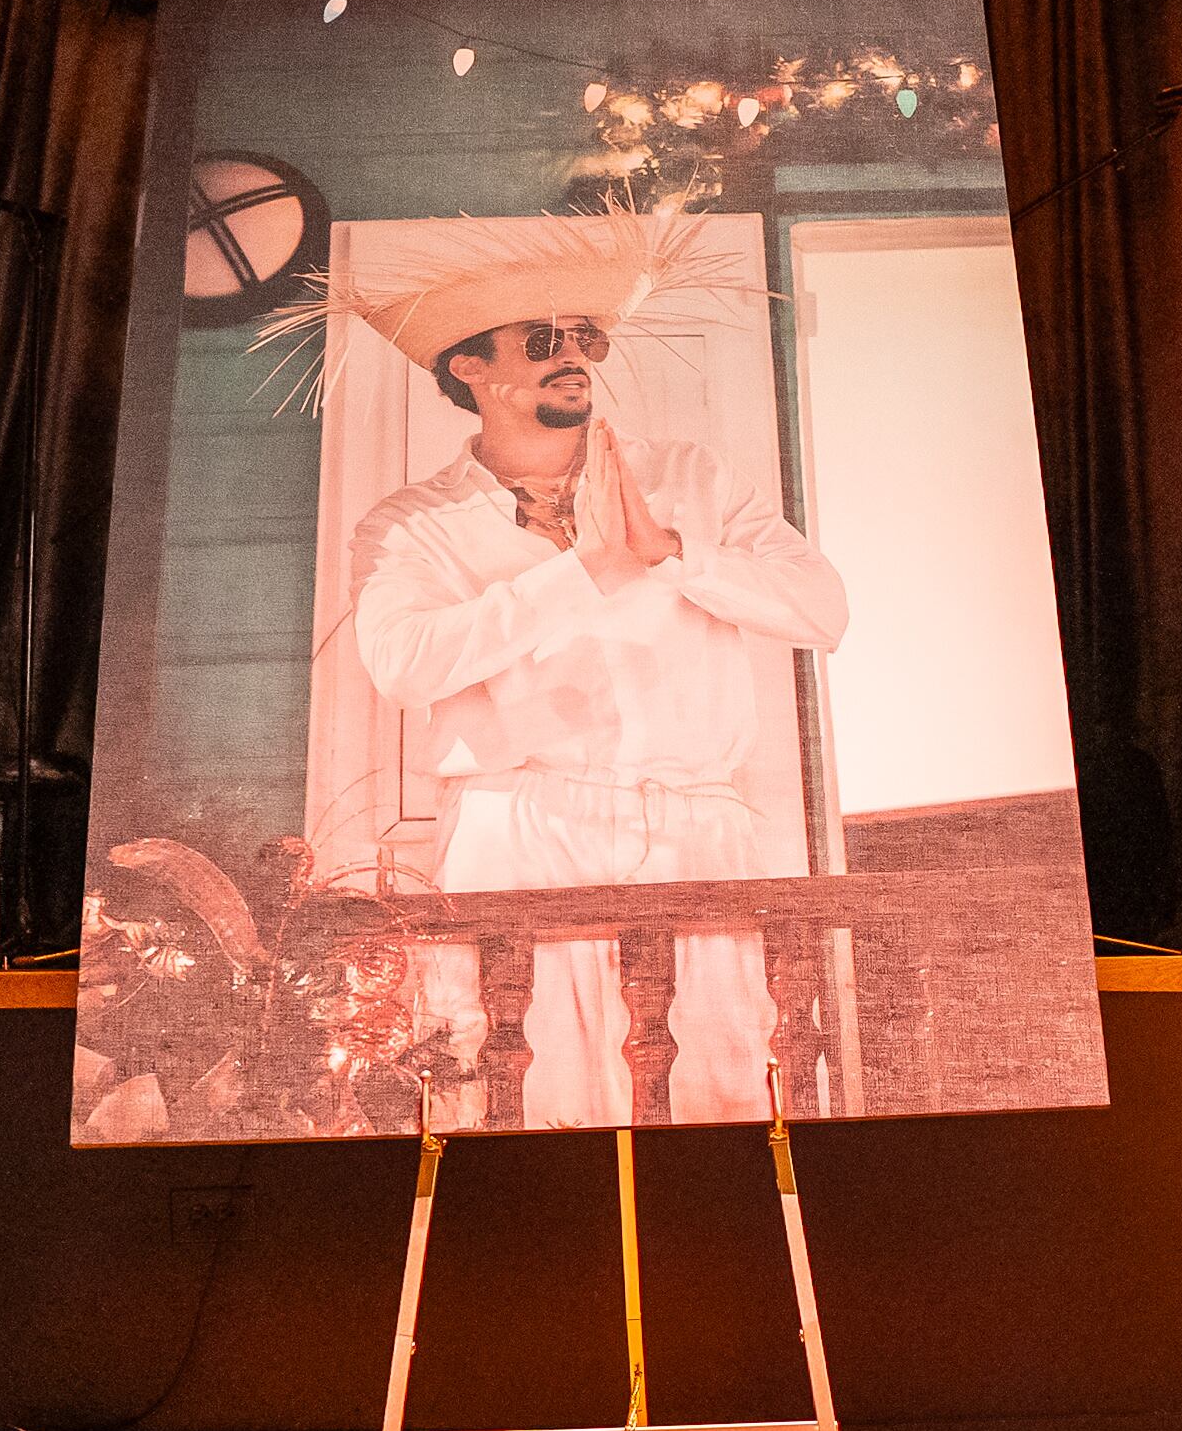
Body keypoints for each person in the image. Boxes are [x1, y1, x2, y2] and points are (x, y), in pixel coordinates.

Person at [339, 227, 848, 1128]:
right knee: (527, 1089)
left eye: (584, 337)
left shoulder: (689, 476)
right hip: (522, 827)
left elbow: (821, 609)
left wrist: (672, 550)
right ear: (468, 366)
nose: (570, 354)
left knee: (721, 1085)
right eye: (541, 340)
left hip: (696, 827)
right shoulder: (412, 524)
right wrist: (583, 571)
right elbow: (403, 661)